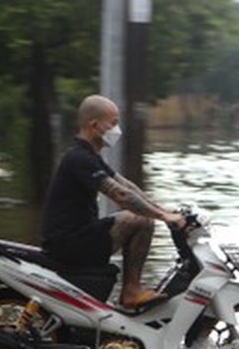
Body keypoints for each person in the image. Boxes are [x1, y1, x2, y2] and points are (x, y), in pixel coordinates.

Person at [40, 94, 186, 309]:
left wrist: (162, 209)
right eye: (113, 123)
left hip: (77, 237)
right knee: (141, 220)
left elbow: (126, 185)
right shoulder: (80, 158)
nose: (117, 129)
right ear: (94, 125)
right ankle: (131, 291)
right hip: (67, 244)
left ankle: (132, 290)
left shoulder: (89, 156)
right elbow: (121, 195)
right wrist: (161, 216)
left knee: (144, 216)